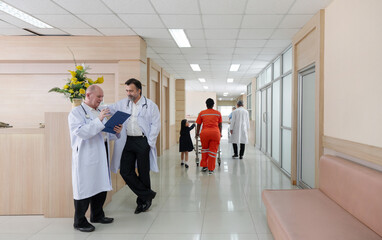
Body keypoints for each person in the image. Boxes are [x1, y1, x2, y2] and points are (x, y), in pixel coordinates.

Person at [68, 85, 122, 232]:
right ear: (88, 95)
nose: (101, 99)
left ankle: (97, 215)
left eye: (102, 97)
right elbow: (82, 132)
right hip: (86, 155)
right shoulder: (76, 112)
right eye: (98, 97)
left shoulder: (100, 111)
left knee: (101, 185)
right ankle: (79, 221)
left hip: (101, 152)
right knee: (85, 187)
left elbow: (103, 133)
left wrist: (116, 131)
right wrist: (99, 120)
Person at [108, 78, 160, 214]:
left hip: (143, 141)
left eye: (131, 91)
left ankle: (143, 202)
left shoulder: (150, 105)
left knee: (143, 172)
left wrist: (150, 143)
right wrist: (93, 105)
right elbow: (109, 108)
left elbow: (156, 125)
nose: (128, 93)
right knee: (125, 171)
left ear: (138, 90)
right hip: (128, 141)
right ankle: (147, 194)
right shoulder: (123, 104)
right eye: (126, 91)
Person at [195, 98, 222, 175]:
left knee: (204, 150)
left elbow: (199, 124)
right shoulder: (218, 113)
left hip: (205, 133)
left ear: (206, 105)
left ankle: (204, 166)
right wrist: (220, 133)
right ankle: (211, 169)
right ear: (213, 105)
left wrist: (197, 133)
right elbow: (220, 125)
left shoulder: (202, 113)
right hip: (215, 133)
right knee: (213, 151)